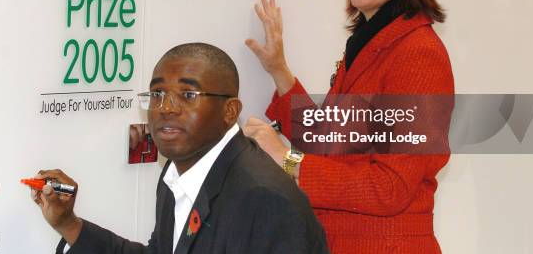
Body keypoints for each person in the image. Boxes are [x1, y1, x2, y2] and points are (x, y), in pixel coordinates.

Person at [244, 0, 454, 253]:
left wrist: (286, 158)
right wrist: (279, 71)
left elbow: (391, 187)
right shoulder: (370, 42)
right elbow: (330, 144)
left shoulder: (417, 53)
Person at [31, 43, 329, 254]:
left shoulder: (265, 199)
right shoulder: (177, 171)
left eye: (188, 94)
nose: (166, 108)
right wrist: (68, 224)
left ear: (230, 111)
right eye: (158, 93)